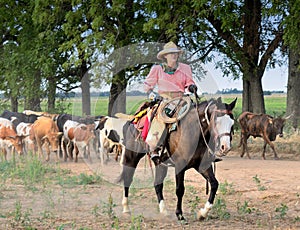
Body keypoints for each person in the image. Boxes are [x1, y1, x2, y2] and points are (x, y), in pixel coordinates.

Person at [143, 41, 198, 165]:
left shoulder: (185, 68)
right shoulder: (157, 69)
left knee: (197, 116)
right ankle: (155, 148)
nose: (173, 55)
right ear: (165, 56)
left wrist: (191, 87)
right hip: (164, 100)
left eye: (175, 53)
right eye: (170, 53)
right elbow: (147, 86)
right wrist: (153, 95)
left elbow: (189, 82)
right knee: (160, 118)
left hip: (182, 99)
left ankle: (204, 148)